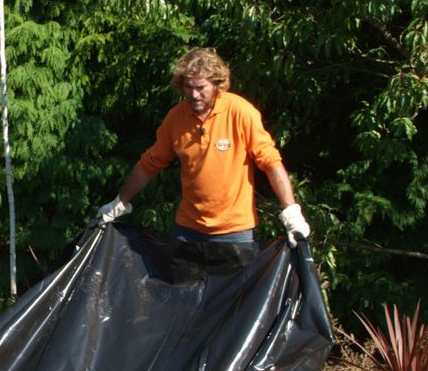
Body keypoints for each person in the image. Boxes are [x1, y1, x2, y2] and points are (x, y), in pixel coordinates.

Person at [94, 47, 309, 246]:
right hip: (189, 230)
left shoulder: (240, 112)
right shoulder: (176, 118)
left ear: (217, 84)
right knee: (183, 287)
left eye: (201, 87)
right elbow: (150, 163)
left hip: (235, 231)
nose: (194, 94)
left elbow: (270, 162)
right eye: (188, 87)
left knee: (234, 289)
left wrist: (291, 211)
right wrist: (119, 203)